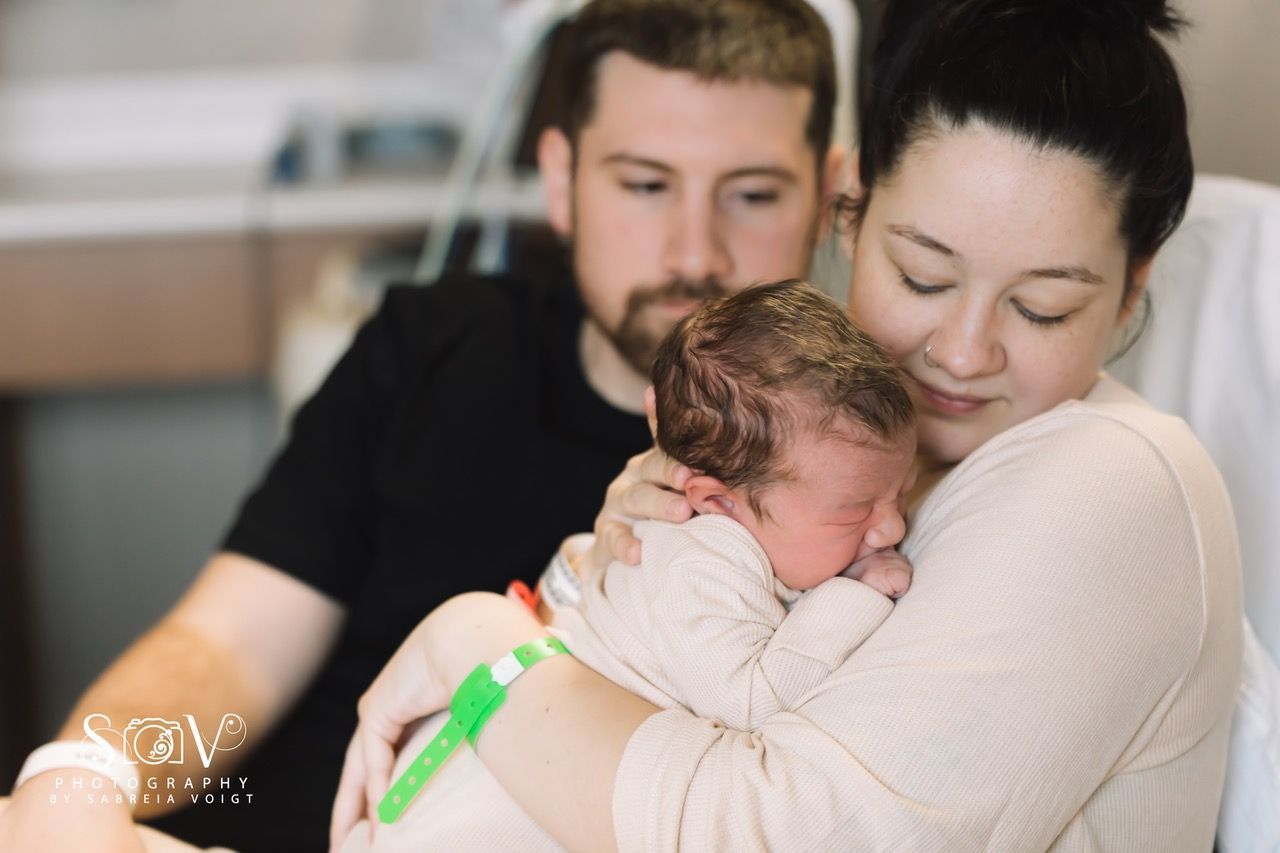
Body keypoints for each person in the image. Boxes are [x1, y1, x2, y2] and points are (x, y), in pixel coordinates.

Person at [333, 1, 1244, 850]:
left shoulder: (1117, 478)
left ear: (1132, 286)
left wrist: (481, 653)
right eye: (923, 277)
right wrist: (607, 571)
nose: (962, 354)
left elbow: (782, 831)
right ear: (849, 210)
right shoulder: (824, 433)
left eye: (1041, 308)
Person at [0, 2, 846, 851]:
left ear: (827, 193)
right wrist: (84, 776)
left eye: (751, 194)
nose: (692, 251)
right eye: (645, 185)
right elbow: (227, 652)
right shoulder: (430, 347)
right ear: (561, 180)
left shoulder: (850, 475)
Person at [338, 280, 917, 850]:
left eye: (902, 491)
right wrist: (855, 595)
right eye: (855, 512)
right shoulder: (704, 557)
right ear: (717, 502)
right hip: (477, 813)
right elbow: (752, 701)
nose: (892, 527)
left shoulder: (734, 526)